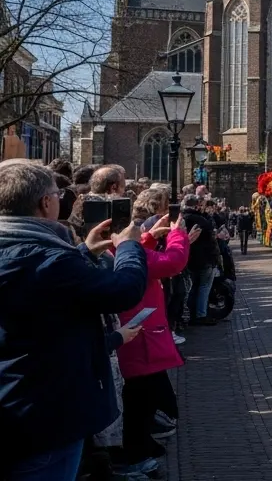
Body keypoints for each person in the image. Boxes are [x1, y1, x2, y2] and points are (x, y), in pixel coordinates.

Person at [0, 160, 149, 480]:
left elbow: (37, 290)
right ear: (45, 202)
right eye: (56, 193)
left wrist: (86, 254)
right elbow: (123, 291)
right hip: (45, 410)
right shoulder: (49, 258)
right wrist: (129, 248)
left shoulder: (31, 254)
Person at [114, 213, 193, 473]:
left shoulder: (118, 251)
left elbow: (136, 257)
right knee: (140, 403)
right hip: (139, 337)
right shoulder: (127, 254)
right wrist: (178, 235)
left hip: (137, 334)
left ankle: (139, 449)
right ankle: (135, 456)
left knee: (141, 400)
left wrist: (147, 238)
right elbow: (172, 262)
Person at [182, 194, 220, 327]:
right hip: (204, 259)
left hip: (189, 259)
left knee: (193, 287)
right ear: (197, 205)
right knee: (204, 286)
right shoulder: (201, 220)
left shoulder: (180, 219)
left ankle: (192, 313)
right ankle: (201, 314)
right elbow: (212, 239)